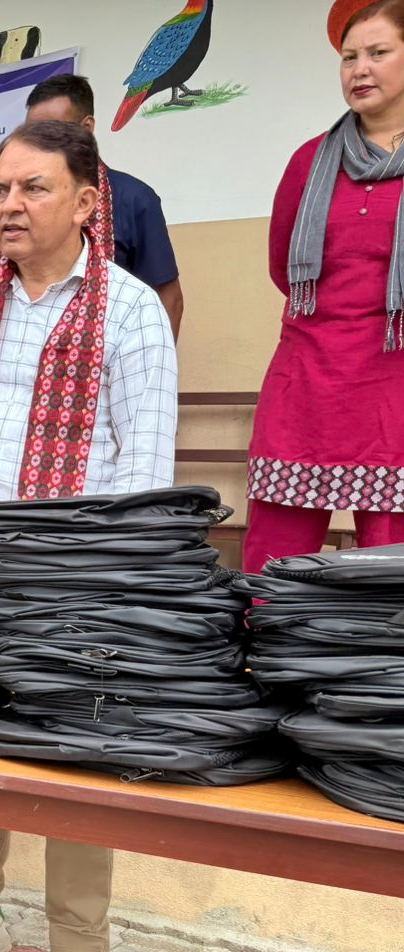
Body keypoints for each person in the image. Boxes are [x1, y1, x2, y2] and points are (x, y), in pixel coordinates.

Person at [0, 120, 178, 952]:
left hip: (76, 563)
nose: (11, 206)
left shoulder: (130, 309)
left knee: (75, 744)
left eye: (33, 188)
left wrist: (112, 575)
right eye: (0, 190)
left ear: (88, 202)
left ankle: (80, 945)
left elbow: (145, 463)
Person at [242, 0, 404, 572]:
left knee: (392, 560)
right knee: (275, 557)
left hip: (395, 380)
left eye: (378, 53)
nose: (360, 69)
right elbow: (283, 268)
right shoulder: (310, 161)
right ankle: (272, 637)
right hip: (306, 377)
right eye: (349, 57)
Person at [0, 73, 184, 339]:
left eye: (53, 133)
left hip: (104, 354)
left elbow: (169, 299)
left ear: (86, 128)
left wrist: (150, 358)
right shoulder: (14, 206)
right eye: (33, 134)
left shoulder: (133, 199)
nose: (39, 145)